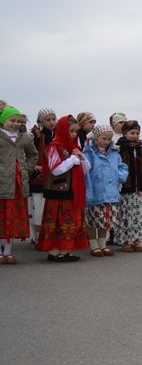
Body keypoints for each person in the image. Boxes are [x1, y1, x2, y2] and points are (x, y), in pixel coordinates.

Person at [37, 115, 91, 262]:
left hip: (72, 192)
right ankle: (55, 252)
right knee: (59, 222)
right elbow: (54, 169)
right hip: (58, 192)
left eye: (75, 131)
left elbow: (85, 170)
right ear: (62, 130)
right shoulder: (53, 147)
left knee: (70, 222)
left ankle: (66, 250)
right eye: (71, 131)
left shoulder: (74, 147)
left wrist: (82, 158)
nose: (74, 134)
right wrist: (72, 160)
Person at [0, 106, 38, 264]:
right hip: (2, 182)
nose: (15, 124)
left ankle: (8, 251)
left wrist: (26, 170)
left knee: (11, 218)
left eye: (18, 121)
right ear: (3, 121)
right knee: (2, 217)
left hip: (18, 184)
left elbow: (33, 154)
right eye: (11, 120)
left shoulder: (25, 138)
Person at [83, 124, 128, 257]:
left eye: (109, 139)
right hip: (95, 191)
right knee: (91, 219)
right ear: (96, 138)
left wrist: (119, 177)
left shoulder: (114, 152)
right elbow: (85, 171)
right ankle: (93, 245)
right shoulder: (89, 152)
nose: (107, 141)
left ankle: (103, 244)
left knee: (104, 220)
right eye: (104, 138)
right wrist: (88, 189)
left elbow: (122, 167)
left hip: (110, 191)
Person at [115, 120, 142, 252]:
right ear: (125, 133)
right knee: (125, 215)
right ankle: (125, 241)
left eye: (137, 133)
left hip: (140, 188)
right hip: (125, 188)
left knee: (138, 215)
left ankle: (137, 240)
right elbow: (116, 167)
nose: (135, 135)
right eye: (132, 133)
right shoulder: (119, 149)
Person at [28, 108, 57, 244]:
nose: (51, 122)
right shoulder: (35, 135)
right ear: (41, 121)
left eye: (53, 119)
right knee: (37, 207)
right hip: (38, 178)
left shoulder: (55, 134)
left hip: (51, 176)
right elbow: (27, 152)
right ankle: (36, 236)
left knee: (47, 207)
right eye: (48, 119)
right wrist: (33, 166)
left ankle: (45, 235)